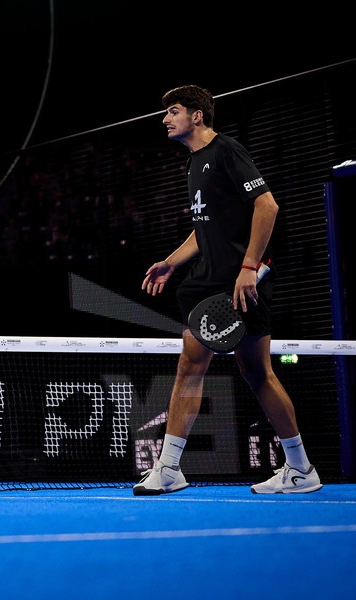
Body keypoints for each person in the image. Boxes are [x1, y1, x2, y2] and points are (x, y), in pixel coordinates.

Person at [134, 84, 322, 496]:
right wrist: (171, 261)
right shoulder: (193, 163)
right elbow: (206, 227)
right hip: (207, 279)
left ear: (197, 115)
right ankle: (169, 468)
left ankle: (300, 467)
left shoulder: (226, 151)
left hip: (240, 281)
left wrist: (249, 267)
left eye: (174, 111)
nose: (166, 119)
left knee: (256, 372)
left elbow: (267, 205)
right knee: (191, 366)